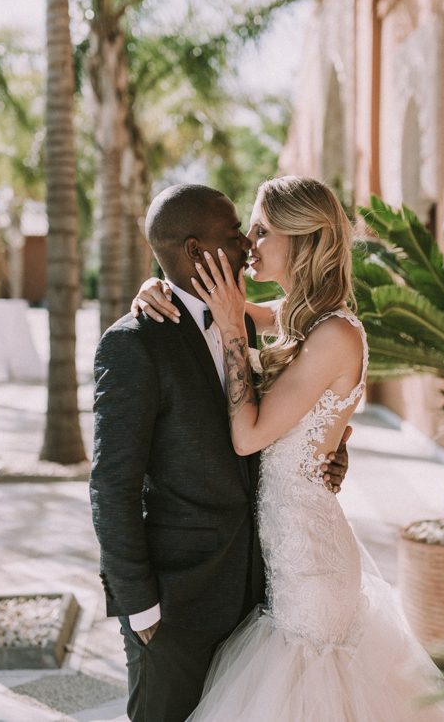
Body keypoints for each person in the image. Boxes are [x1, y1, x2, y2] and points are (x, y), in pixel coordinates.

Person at [138, 175, 444, 721]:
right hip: (285, 550)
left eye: (262, 230)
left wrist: (234, 334)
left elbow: (248, 434)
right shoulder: (297, 316)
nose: (249, 244)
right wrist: (156, 289)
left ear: (301, 237)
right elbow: (221, 306)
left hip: (310, 562)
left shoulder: (335, 334)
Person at [89, 183, 350, 722]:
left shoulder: (254, 322)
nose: (247, 247)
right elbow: (110, 487)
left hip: (263, 590)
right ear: (194, 252)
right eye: (236, 236)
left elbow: (278, 422)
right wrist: (140, 607)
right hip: (175, 604)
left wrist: (332, 445)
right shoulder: (136, 342)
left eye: (256, 232)